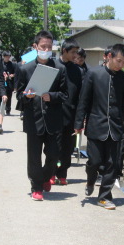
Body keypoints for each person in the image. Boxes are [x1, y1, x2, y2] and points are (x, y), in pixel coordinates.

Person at [74, 43, 124, 210]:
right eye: (119, 61)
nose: (121, 65)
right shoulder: (93, 74)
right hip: (96, 125)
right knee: (94, 161)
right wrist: (78, 124)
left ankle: (104, 197)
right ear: (109, 57)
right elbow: (84, 101)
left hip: (116, 127)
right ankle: (91, 179)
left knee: (112, 164)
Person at [15, 30, 68, 201]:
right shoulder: (25, 69)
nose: (46, 50)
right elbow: (19, 96)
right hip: (33, 118)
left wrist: (51, 96)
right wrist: (27, 96)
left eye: (49, 47)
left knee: (53, 155)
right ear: (35, 47)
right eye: (43, 46)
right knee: (34, 157)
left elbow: (65, 94)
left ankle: (46, 176)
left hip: (53, 119)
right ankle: (36, 187)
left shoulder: (60, 68)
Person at [50, 38, 82, 186]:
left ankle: (62, 173)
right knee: (53, 146)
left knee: (67, 147)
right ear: (64, 51)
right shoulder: (52, 66)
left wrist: (80, 118)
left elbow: (80, 95)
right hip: (53, 112)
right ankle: (51, 172)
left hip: (71, 114)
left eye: (77, 52)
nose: (76, 55)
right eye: (73, 52)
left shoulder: (77, 71)